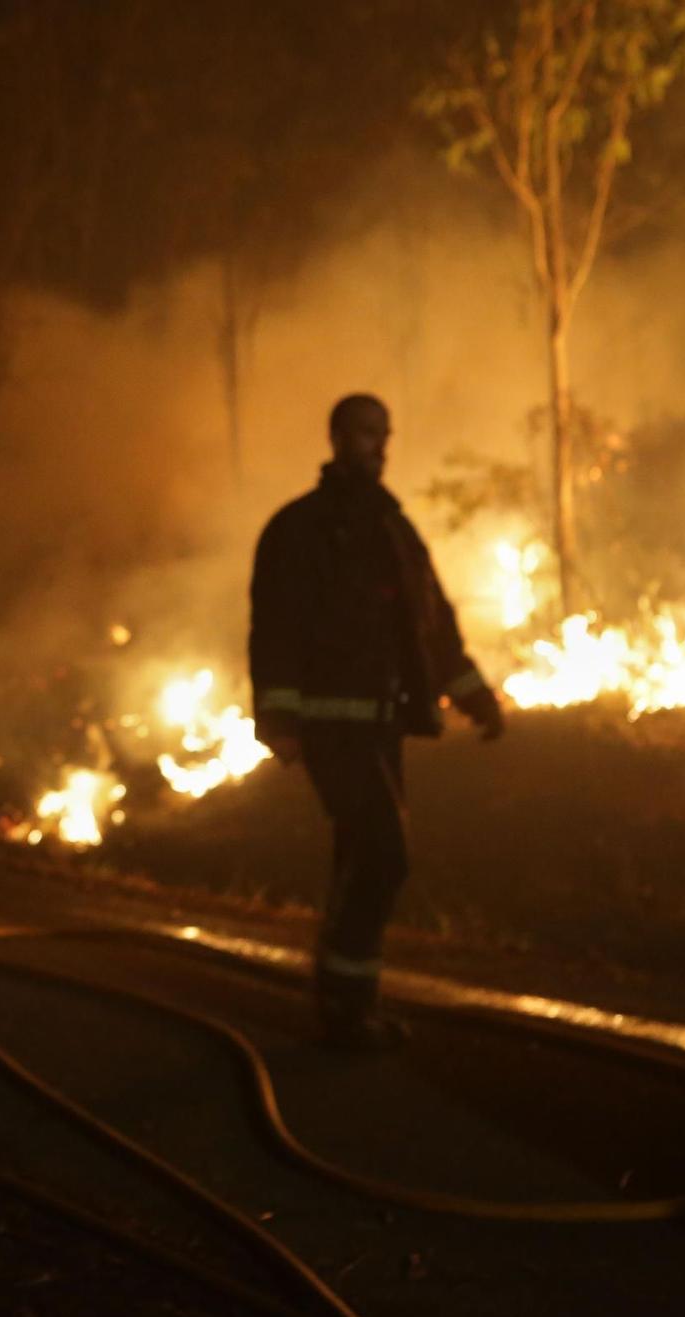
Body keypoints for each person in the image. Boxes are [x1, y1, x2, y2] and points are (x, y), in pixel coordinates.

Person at [248, 393, 503, 1051]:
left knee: (362, 858)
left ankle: (344, 1005)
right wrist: (278, 717)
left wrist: (473, 695)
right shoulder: (300, 530)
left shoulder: (394, 530)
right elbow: (274, 630)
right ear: (336, 437)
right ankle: (346, 1009)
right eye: (367, 433)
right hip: (333, 731)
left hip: (382, 729)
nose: (379, 447)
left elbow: (432, 623)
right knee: (385, 856)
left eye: (385, 435)